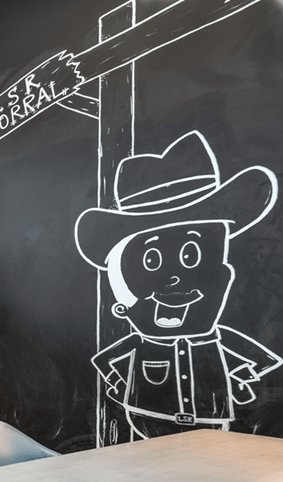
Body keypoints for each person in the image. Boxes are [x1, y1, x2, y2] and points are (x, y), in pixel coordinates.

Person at [75, 130, 281, 439]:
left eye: (191, 255)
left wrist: (241, 379)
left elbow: (245, 355)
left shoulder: (214, 339)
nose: (174, 278)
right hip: (149, 416)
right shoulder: (142, 340)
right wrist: (119, 383)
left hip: (211, 417)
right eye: (151, 260)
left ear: (223, 273)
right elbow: (106, 360)